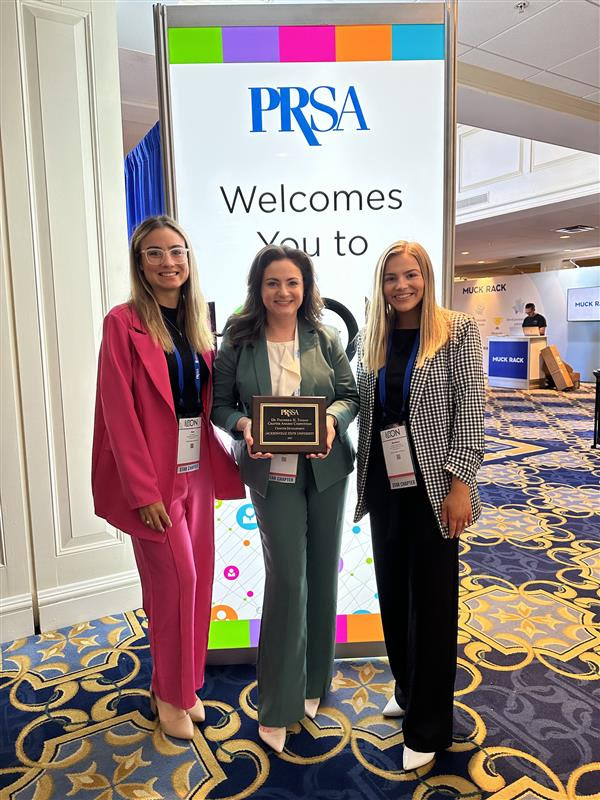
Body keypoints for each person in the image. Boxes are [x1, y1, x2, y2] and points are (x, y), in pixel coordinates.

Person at [92, 215, 244, 739]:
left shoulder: (197, 323)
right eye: (154, 253)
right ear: (140, 263)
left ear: (188, 258)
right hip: (151, 475)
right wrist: (141, 490)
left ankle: (179, 684)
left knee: (194, 579)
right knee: (177, 581)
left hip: (196, 465)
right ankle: (172, 697)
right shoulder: (123, 322)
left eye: (176, 251)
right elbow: (117, 412)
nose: (168, 262)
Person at [212, 244, 358, 753]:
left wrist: (333, 420)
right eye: (273, 283)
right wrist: (244, 424)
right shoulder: (237, 342)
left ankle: (316, 680)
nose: (283, 292)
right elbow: (220, 406)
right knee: (287, 579)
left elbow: (350, 394)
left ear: (306, 287)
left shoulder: (326, 336)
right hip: (270, 474)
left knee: (321, 573)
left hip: (326, 469)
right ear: (258, 288)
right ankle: (277, 701)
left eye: (292, 282)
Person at [354, 241, 485, 772]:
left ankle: (429, 727)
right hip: (385, 483)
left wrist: (460, 481)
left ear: (427, 278)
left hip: (436, 485)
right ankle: (407, 689)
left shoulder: (456, 330)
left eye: (411, 275)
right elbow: (362, 405)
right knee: (393, 593)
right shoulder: (373, 336)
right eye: (392, 278)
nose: (402, 286)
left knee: (432, 604)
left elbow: (470, 409)